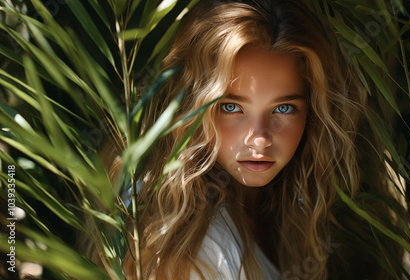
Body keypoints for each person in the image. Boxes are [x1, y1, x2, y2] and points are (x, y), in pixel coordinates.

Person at [121, 0, 380, 279]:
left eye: (284, 108)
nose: (259, 140)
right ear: (191, 108)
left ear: (314, 112)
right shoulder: (198, 248)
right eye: (231, 107)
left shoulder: (297, 210)